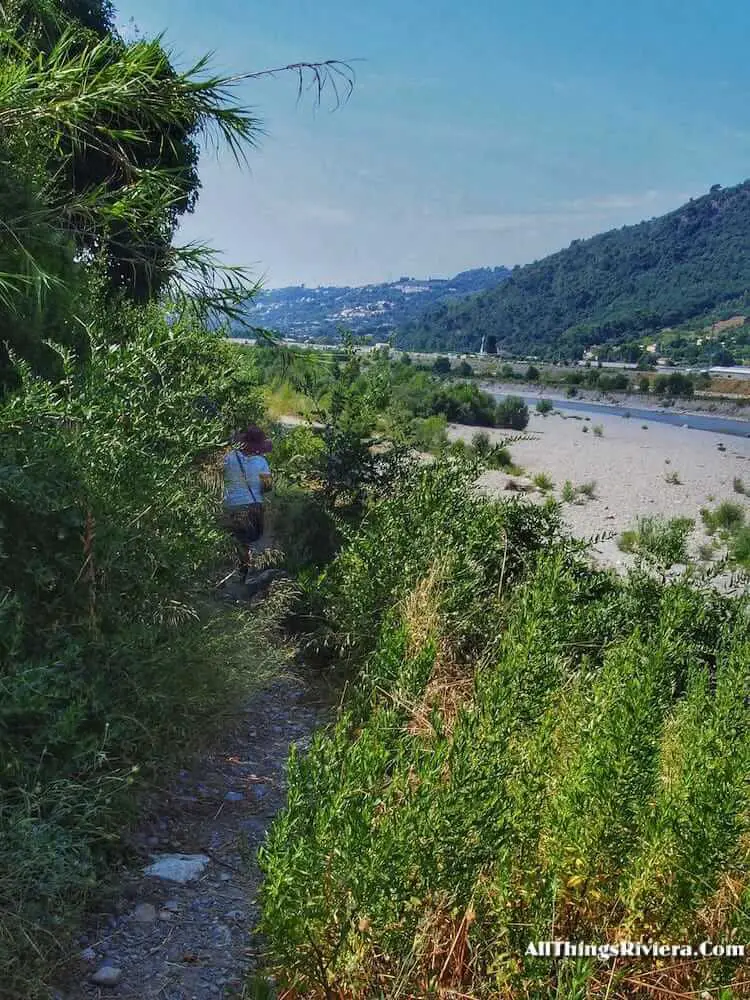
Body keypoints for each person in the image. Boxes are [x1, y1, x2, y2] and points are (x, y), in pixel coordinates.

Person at [222, 424, 273, 581]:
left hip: (232, 506)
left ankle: (232, 575)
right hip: (253, 506)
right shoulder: (261, 462)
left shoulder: (230, 458)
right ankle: (245, 575)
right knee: (249, 542)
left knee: (234, 541)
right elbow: (268, 487)